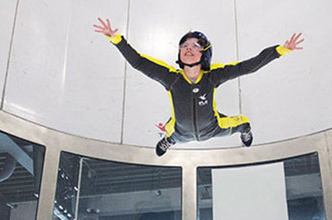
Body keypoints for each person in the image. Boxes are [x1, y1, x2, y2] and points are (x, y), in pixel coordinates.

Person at [93, 17, 305, 156]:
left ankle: (246, 132)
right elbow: (139, 62)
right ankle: (170, 141)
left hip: (214, 128)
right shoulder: (171, 78)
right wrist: (117, 40)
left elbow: (248, 66)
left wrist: (281, 50)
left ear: (204, 53)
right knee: (169, 133)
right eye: (184, 46)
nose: (189, 49)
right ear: (179, 53)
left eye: (195, 46)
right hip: (180, 133)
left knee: (244, 122)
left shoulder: (213, 76)